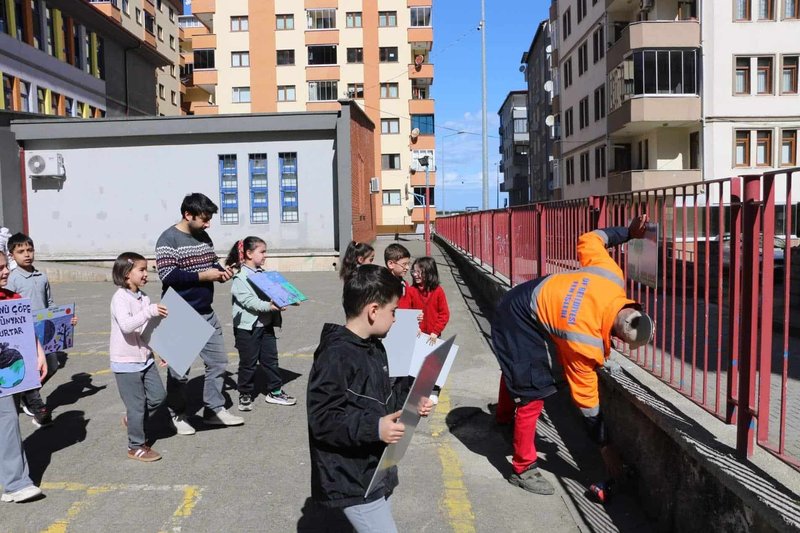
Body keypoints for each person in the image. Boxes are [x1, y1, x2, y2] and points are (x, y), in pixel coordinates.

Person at [491, 214, 654, 495]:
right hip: (519, 318)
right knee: (533, 390)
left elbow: (590, 239)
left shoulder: (612, 278)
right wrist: (605, 447)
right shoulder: (585, 340)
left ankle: (504, 418)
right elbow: (587, 402)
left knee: (521, 371)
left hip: (526, 295)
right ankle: (522, 468)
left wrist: (627, 232)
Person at [307, 265, 433, 532]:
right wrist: (376, 428)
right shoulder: (336, 355)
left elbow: (384, 400)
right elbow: (323, 420)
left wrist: (413, 399)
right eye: (393, 311)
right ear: (373, 311)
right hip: (352, 478)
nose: (396, 318)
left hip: (376, 470)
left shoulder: (374, 346)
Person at [155, 193, 243, 434]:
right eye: (204, 219)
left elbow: (212, 264)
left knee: (218, 362)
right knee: (179, 373)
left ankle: (213, 410)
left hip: (206, 311)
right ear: (187, 215)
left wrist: (222, 272)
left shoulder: (203, 236)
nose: (208, 224)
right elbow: (168, 276)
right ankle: (177, 414)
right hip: (179, 313)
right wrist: (204, 276)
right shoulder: (168, 239)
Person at [7, 232, 79, 428]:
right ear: (12, 255)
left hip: (45, 332)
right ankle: (36, 406)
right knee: (31, 369)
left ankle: (24, 395)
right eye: (21, 251)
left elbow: (51, 305)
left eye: (29, 250)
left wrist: (66, 319)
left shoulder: (42, 276)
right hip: (25, 333)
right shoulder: (12, 279)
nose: (27, 254)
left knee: (53, 365)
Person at [109, 252, 169, 462]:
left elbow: (145, 329)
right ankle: (135, 445)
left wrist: (160, 349)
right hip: (126, 362)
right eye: (141, 270)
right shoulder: (120, 298)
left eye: (146, 269)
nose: (146, 274)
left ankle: (132, 420)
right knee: (136, 405)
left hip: (145, 358)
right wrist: (149, 312)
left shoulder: (144, 298)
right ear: (127, 273)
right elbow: (126, 326)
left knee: (158, 397)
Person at [225, 237, 296, 411]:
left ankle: (275, 391)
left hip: (266, 326)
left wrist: (290, 298)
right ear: (249, 254)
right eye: (262, 252)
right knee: (248, 363)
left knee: (271, 360)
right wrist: (270, 306)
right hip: (247, 329)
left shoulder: (264, 274)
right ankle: (245, 393)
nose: (265, 255)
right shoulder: (240, 278)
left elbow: (276, 292)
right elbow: (249, 302)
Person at [0, 251, 46, 503]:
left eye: (5, 266)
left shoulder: (11, 298)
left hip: (5, 375)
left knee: (8, 420)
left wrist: (37, 352)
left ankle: (15, 483)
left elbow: (25, 329)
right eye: (0, 268)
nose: (6, 271)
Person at [408, 256, 450, 405]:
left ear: (429, 273)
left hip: (433, 335)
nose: (416, 275)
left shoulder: (438, 291)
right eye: (414, 271)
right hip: (418, 335)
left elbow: (444, 314)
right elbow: (409, 311)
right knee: (417, 363)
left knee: (434, 363)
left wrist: (435, 331)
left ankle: (433, 390)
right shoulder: (411, 291)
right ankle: (417, 389)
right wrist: (414, 327)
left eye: (420, 272)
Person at [383, 243, 414, 309]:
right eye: (404, 264)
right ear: (390, 264)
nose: (407, 267)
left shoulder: (405, 284)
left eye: (408, 264)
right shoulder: (383, 286)